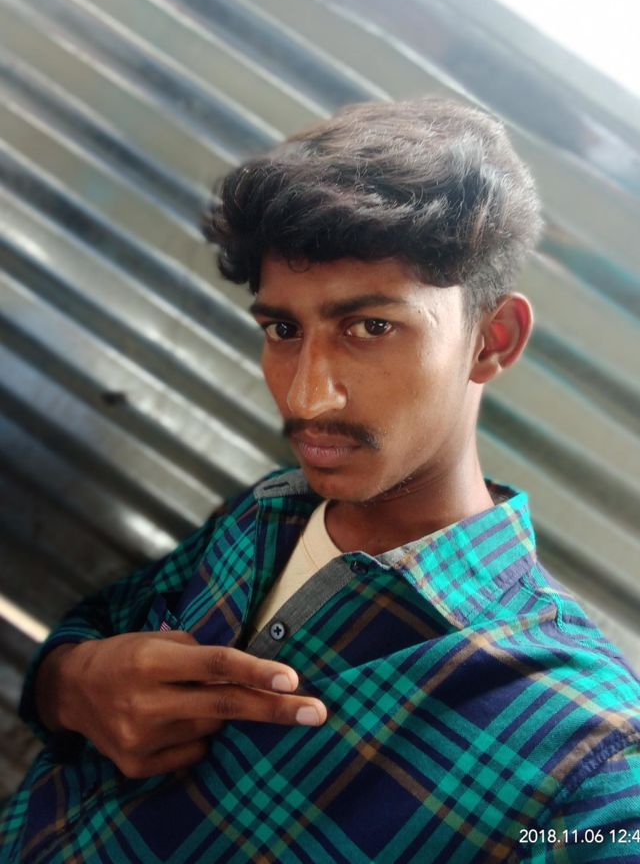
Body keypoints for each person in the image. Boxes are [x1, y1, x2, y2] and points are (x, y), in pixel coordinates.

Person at [1, 98, 639, 863]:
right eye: (283, 329)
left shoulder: (588, 753)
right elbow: (103, 626)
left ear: (491, 340)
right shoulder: (266, 512)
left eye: (370, 327)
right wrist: (71, 682)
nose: (306, 397)